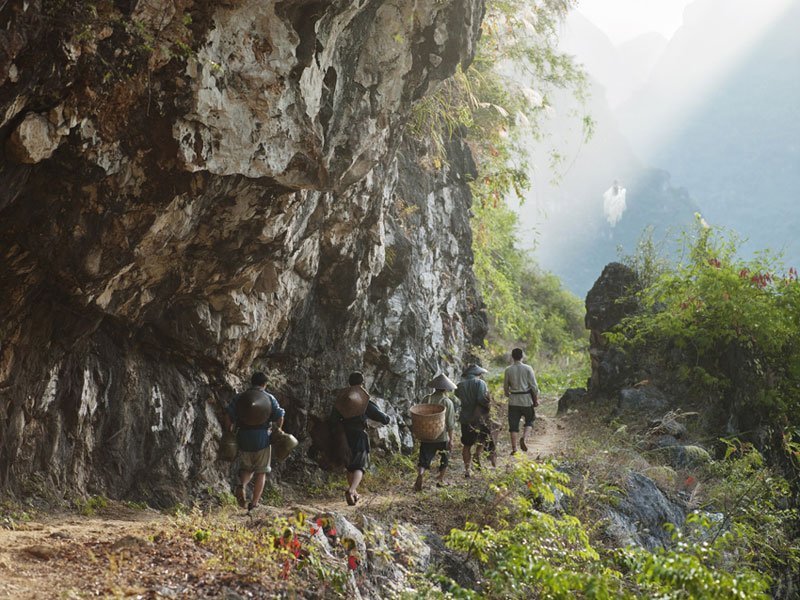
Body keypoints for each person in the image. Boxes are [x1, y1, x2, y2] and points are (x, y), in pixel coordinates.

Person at [224, 371, 285, 511]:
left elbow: (228, 415)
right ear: (265, 384)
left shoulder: (240, 397)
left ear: (251, 382)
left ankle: (242, 485)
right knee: (261, 471)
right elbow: (280, 415)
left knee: (247, 467)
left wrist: (230, 432)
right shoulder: (269, 397)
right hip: (262, 437)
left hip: (243, 436)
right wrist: (277, 430)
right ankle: (254, 503)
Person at [332, 371, 391, 506]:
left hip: (345, 436)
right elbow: (381, 417)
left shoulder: (343, 400)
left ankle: (354, 494)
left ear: (349, 383)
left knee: (349, 466)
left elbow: (333, 418)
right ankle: (351, 490)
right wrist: (386, 418)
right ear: (362, 383)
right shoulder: (364, 401)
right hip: (359, 435)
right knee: (360, 466)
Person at [413, 373, 457, 492]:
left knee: (424, 458)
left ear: (435, 387)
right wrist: (451, 439)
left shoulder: (427, 398)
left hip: (427, 435)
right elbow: (450, 423)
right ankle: (440, 479)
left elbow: (421, 414)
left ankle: (421, 474)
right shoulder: (447, 402)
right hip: (442, 437)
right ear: (446, 388)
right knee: (445, 457)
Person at [455, 364, 496, 478]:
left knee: (467, 444)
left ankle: (467, 469)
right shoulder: (480, 383)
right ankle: (478, 454)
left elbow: (457, 396)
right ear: (478, 374)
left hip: (465, 418)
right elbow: (481, 399)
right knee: (484, 437)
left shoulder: (459, 386)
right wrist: (488, 403)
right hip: (479, 418)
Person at [503, 348, 539, 454]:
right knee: (529, 420)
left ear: (512, 357)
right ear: (522, 356)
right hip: (526, 400)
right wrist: (536, 398)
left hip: (513, 400)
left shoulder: (508, 370)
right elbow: (534, 386)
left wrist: (507, 394)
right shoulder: (528, 368)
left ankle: (514, 449)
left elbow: (505, 387)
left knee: (513, 425)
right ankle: (524, 438)